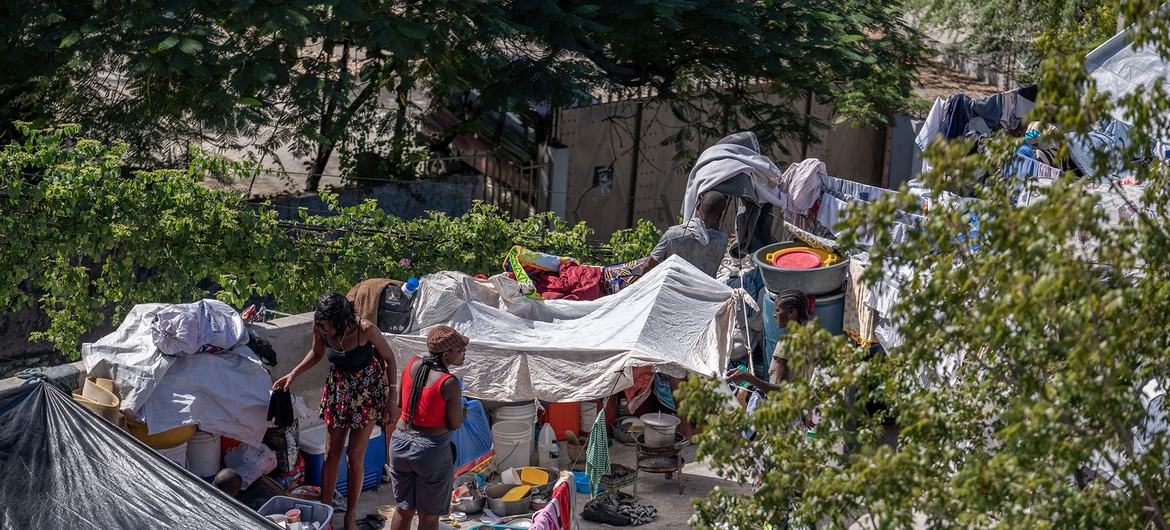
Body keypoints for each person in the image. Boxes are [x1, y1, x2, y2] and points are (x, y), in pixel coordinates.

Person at [272, 292, 398, 530]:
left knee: (355, 457)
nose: (325, 328)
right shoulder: (320, 327)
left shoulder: (365, 329)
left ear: (343, 319)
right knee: (331, 454)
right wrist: (293, 373)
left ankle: (351, 515)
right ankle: (325, 508)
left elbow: (389, 358)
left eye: (329, 324)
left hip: (366, 391)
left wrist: (393, 397)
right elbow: (317, 354)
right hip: (338, 390)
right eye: (322, 323)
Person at [389, 326, 469, 530]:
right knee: (428, 516)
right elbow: (454, 423)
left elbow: (401, 403)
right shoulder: (449, 383)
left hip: (399, 444)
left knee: (403, 509)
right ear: (446, 354)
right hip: (430, 452)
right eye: (460, 350)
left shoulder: (411, 365)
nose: (464, 354)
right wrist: (462, 412)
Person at [726, 289, 815, 427]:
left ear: (791, 313)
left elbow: (780, 390)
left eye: (778, 310)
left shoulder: (787, 344)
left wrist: (747, 377)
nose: (774, 315)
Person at [645, 190, 730, 278]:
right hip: (703, 290)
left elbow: (648, 266)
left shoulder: (673, 234)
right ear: (719, 216)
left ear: (697, 206)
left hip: (671, 289)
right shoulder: (722, 239)